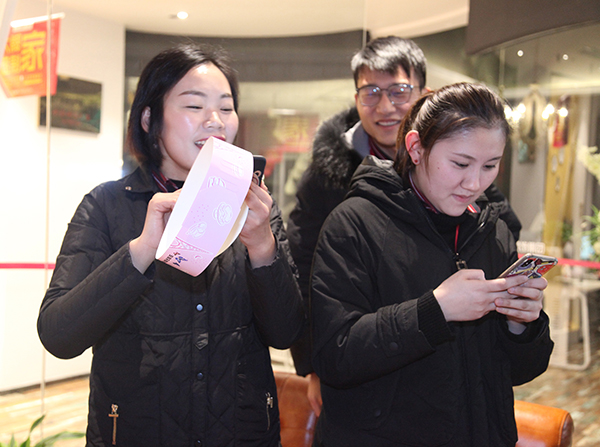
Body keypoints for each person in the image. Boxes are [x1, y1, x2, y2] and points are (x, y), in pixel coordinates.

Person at [37, 43, 304, 447]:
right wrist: (141, 251)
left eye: (226, 107)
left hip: (241, 433)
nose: (215, 121)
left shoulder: (255, 208)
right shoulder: (106, 205)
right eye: (194, 106)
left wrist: (263, 248)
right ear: (149, 119)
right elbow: (58, 334)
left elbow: (286, 332)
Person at [286, 36, 521, 415]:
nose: (385, 107)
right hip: (373, 381)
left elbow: (499, 235)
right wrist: (312, 362)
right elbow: (304, 266)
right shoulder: (332, 182)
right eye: (371, 92)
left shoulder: (470, 177)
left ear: (423, 93)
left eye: (398, 91)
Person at [309, 82, 554, 447]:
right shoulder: (354, 224)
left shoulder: (494, 231)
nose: (474, 182)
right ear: (415, 148)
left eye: (490, 165)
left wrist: (522, 325)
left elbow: (519, 372)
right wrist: (433, 312)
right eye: (460, 164)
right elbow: (335, 356)